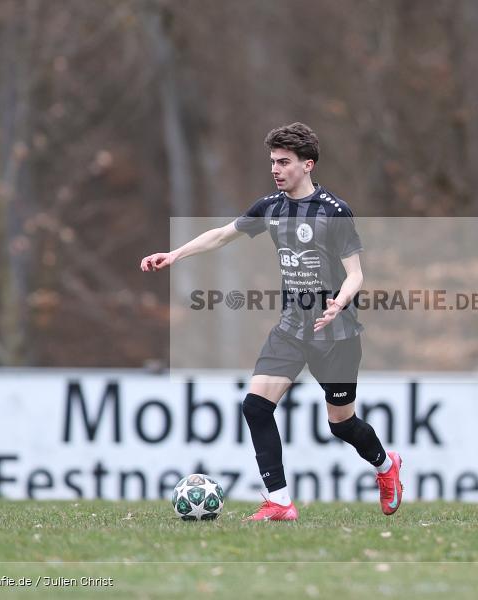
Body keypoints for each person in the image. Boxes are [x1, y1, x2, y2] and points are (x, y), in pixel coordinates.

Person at [141, 122, 402, 521]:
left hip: (336, 334)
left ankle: (386, 466)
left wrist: (339, 303)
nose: (276, 169)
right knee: (256, 407)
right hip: (291, 330)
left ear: (308, 164)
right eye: (273, 162)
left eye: (284, 162)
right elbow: (221, 235)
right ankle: (280, 502)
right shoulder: (271, 207)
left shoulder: (334, 212)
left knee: (342, 426)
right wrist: (175, 255)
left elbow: (356, 274)